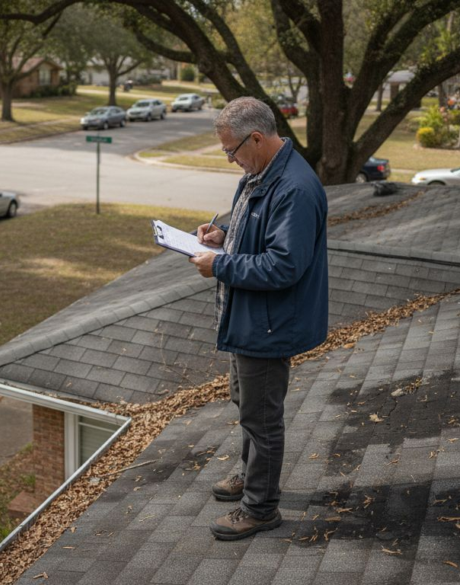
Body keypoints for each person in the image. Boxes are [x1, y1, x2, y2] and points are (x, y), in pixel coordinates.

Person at [189, 96, 328, 541]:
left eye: (233, 151)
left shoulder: (295, 188)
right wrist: (224, 237)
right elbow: (258, 235)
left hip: (269, 325)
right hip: (248, 319)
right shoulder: (260, 173)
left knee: (262, 419)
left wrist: (220, 264)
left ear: (257, 138)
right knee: (246, 406)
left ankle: (261, 507)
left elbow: (285, 266)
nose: (231, 160)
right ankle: (251, 476)